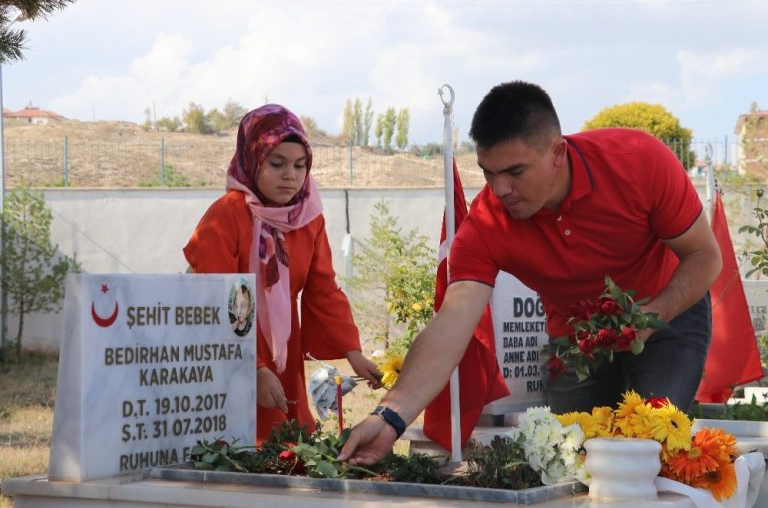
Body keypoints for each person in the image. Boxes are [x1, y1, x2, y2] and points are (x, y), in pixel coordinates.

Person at [339, 81, 722, 466]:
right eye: (488, 173)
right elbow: (451, 325)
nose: (500, 188)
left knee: (646, 448)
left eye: (515, 171)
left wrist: (653, 315)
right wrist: (388, 417)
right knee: (569, 460)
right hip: (576, 339)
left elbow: (705, 256)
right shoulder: (486, 223)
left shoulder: (639, 160)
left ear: (557, 152)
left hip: (667, 312)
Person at [184, 104, 380, 442]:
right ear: (253, 159)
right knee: (235, 447)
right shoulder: (225, 215)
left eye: (300, 165)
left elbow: (323, 290)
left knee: (288, 449)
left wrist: (352, 352)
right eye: (277, 164)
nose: (291, 175)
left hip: (283, 349)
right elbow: (216, 296)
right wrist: (254, 367)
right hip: (228, 349)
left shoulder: (308, 217)